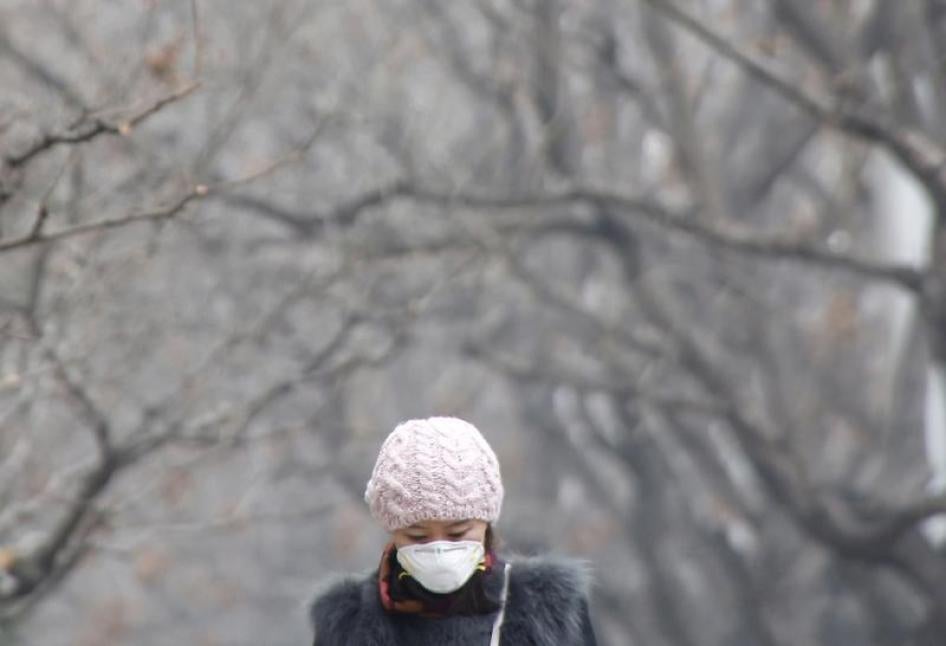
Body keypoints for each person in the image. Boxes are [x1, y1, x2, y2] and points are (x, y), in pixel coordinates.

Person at [308, 416, 598, 645]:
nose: (439, 549)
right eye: (418, 537)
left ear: (486, 524)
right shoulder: (349, 625)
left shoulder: (550, 613)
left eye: (458, 533)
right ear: (393, 533)